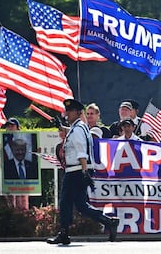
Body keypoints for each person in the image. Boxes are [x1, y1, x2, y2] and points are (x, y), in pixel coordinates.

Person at [47, 99, 119, 245]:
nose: (67, 113)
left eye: (70, 111)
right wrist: (60, 126)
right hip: (79, 170)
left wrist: (85, 172)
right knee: (81, 205)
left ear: (78, 113)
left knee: (65, 202)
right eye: (67, 111)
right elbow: (73, 133)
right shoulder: (80, 127)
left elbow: (81, 152)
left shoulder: (78, 129)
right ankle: (109, 221)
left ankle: (64, 233)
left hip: (76, 170)